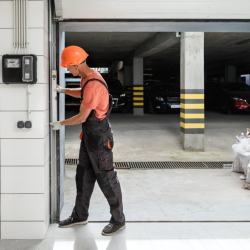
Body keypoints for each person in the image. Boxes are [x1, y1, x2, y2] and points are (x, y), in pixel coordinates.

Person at [50, 45, 125, 236]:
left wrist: (60, 123)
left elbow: (82, 117)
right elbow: (83, 94)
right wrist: (62, 90)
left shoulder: (92, 84)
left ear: (76, 65)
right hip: (89, 139)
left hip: (99, 139)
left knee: (107, 179)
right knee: (83, 177)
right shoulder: (87, 78)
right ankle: (80, 216)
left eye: (68, 67)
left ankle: (118, 220)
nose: (67, 70)